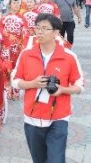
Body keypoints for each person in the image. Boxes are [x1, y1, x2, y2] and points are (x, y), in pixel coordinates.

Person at [11, 13, 84, 163]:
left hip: (59, 117)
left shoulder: (69, 57)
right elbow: (14, 81)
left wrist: (62, 90)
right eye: (37, 28)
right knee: (39, 159)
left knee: (56, 159)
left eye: (44, 28)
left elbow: (79, 86)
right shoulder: (26, 55)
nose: (39, 32)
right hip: (32, 118)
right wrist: (33, 84)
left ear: (56, 32)